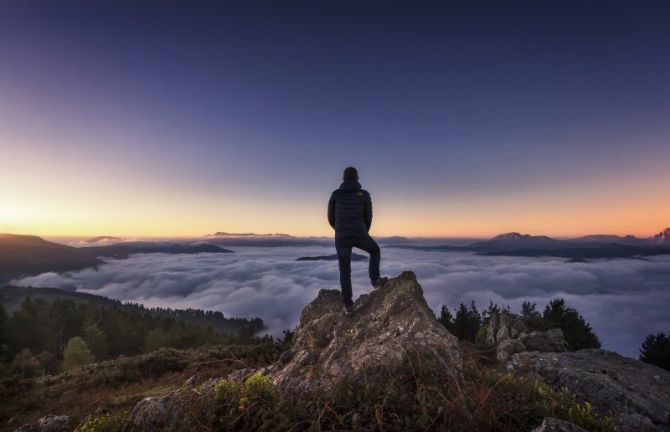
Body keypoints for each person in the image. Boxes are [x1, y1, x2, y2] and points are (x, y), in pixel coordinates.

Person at [328, 166, 387, 315]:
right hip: (360, 234)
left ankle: (348, 306)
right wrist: (363, 232)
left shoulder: (336, 194)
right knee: (375, 250)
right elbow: (369, 216)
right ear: (357, 178)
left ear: (343, 178)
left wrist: (339, 229)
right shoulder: (364, 194)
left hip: (341, 237)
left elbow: (330, 217)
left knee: (345, 271)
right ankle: (375, 280)